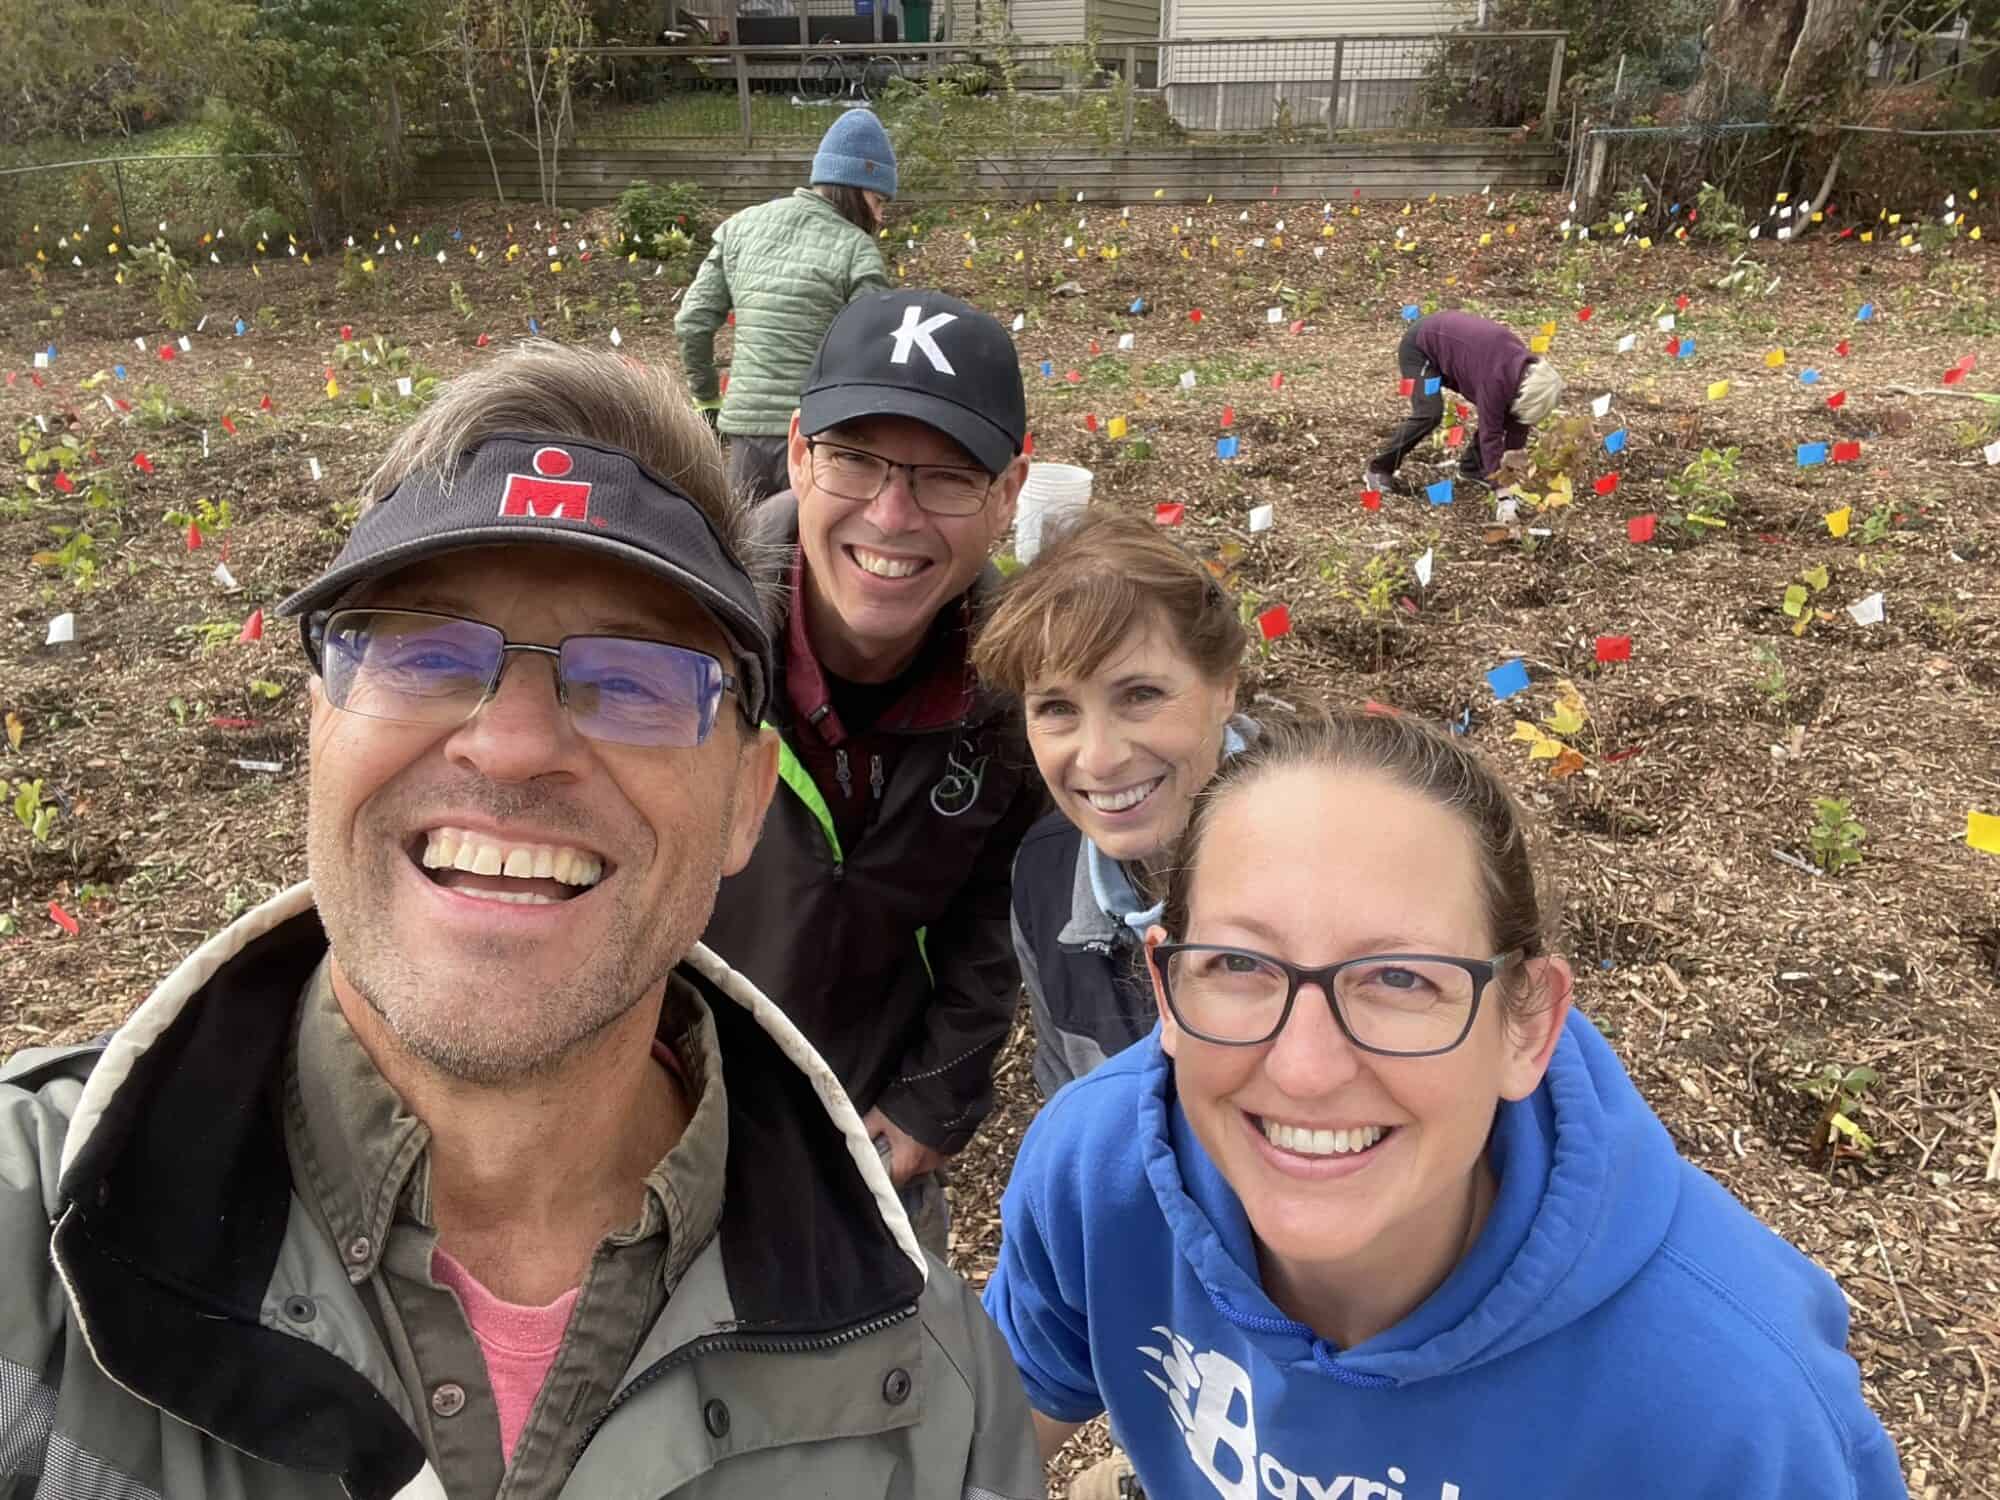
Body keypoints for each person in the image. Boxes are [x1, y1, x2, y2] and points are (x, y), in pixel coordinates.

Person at [0, 344, 1045, 1500]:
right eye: (422, 652)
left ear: (748, 797)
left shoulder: (932, 1404)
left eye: (637, 678)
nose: (510, 744)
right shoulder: (29, 1244)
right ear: (317, 728)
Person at [983, 709, 1908, 1499]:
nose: (1304, 1069)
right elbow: (988, 1437)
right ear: (1166, 989)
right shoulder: (1098, 1170)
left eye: (1399, 978)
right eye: (1238, 964)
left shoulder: (1726, 1400)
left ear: (1527, 1026)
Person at [700, 287, 1044, 1261]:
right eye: (857, 459)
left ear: (1009, 492)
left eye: (946, 477)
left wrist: (936, 1093)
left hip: (861, 1130)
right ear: (800, 452)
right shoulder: (690, 641)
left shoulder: (1020, 685)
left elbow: (997, 915)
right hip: (656, 1103)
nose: (891, 517)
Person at [971, 510, 1253, 1099]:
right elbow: (1070, 1095)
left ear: (1224, 685)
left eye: (1141, 695)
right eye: (1056, 709)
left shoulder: (1345, 868)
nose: (1098, 759)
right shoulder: (1044, 875)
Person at [676, 107, 896, 502]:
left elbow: (692, 322)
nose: (880, 218)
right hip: (817, 434)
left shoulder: (739, 228)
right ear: (854, 187)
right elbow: (871, 351)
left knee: (743, 549)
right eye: (879, 201)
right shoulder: (857, 250)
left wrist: (707, 399)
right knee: (811, 555)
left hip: (745, 432)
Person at [1363, 309, 1562, 496]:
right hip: (1421, 348)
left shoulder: (1524, 375)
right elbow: (1490, 434)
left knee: (1507, 413)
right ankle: (1379, 468)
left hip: (1454, 353)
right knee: (1429, 413)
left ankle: (1472, 468)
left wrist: (1510, 475)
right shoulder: (1496, 379)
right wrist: (1502, 491)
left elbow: (1517, 427)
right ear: (1525, 393)